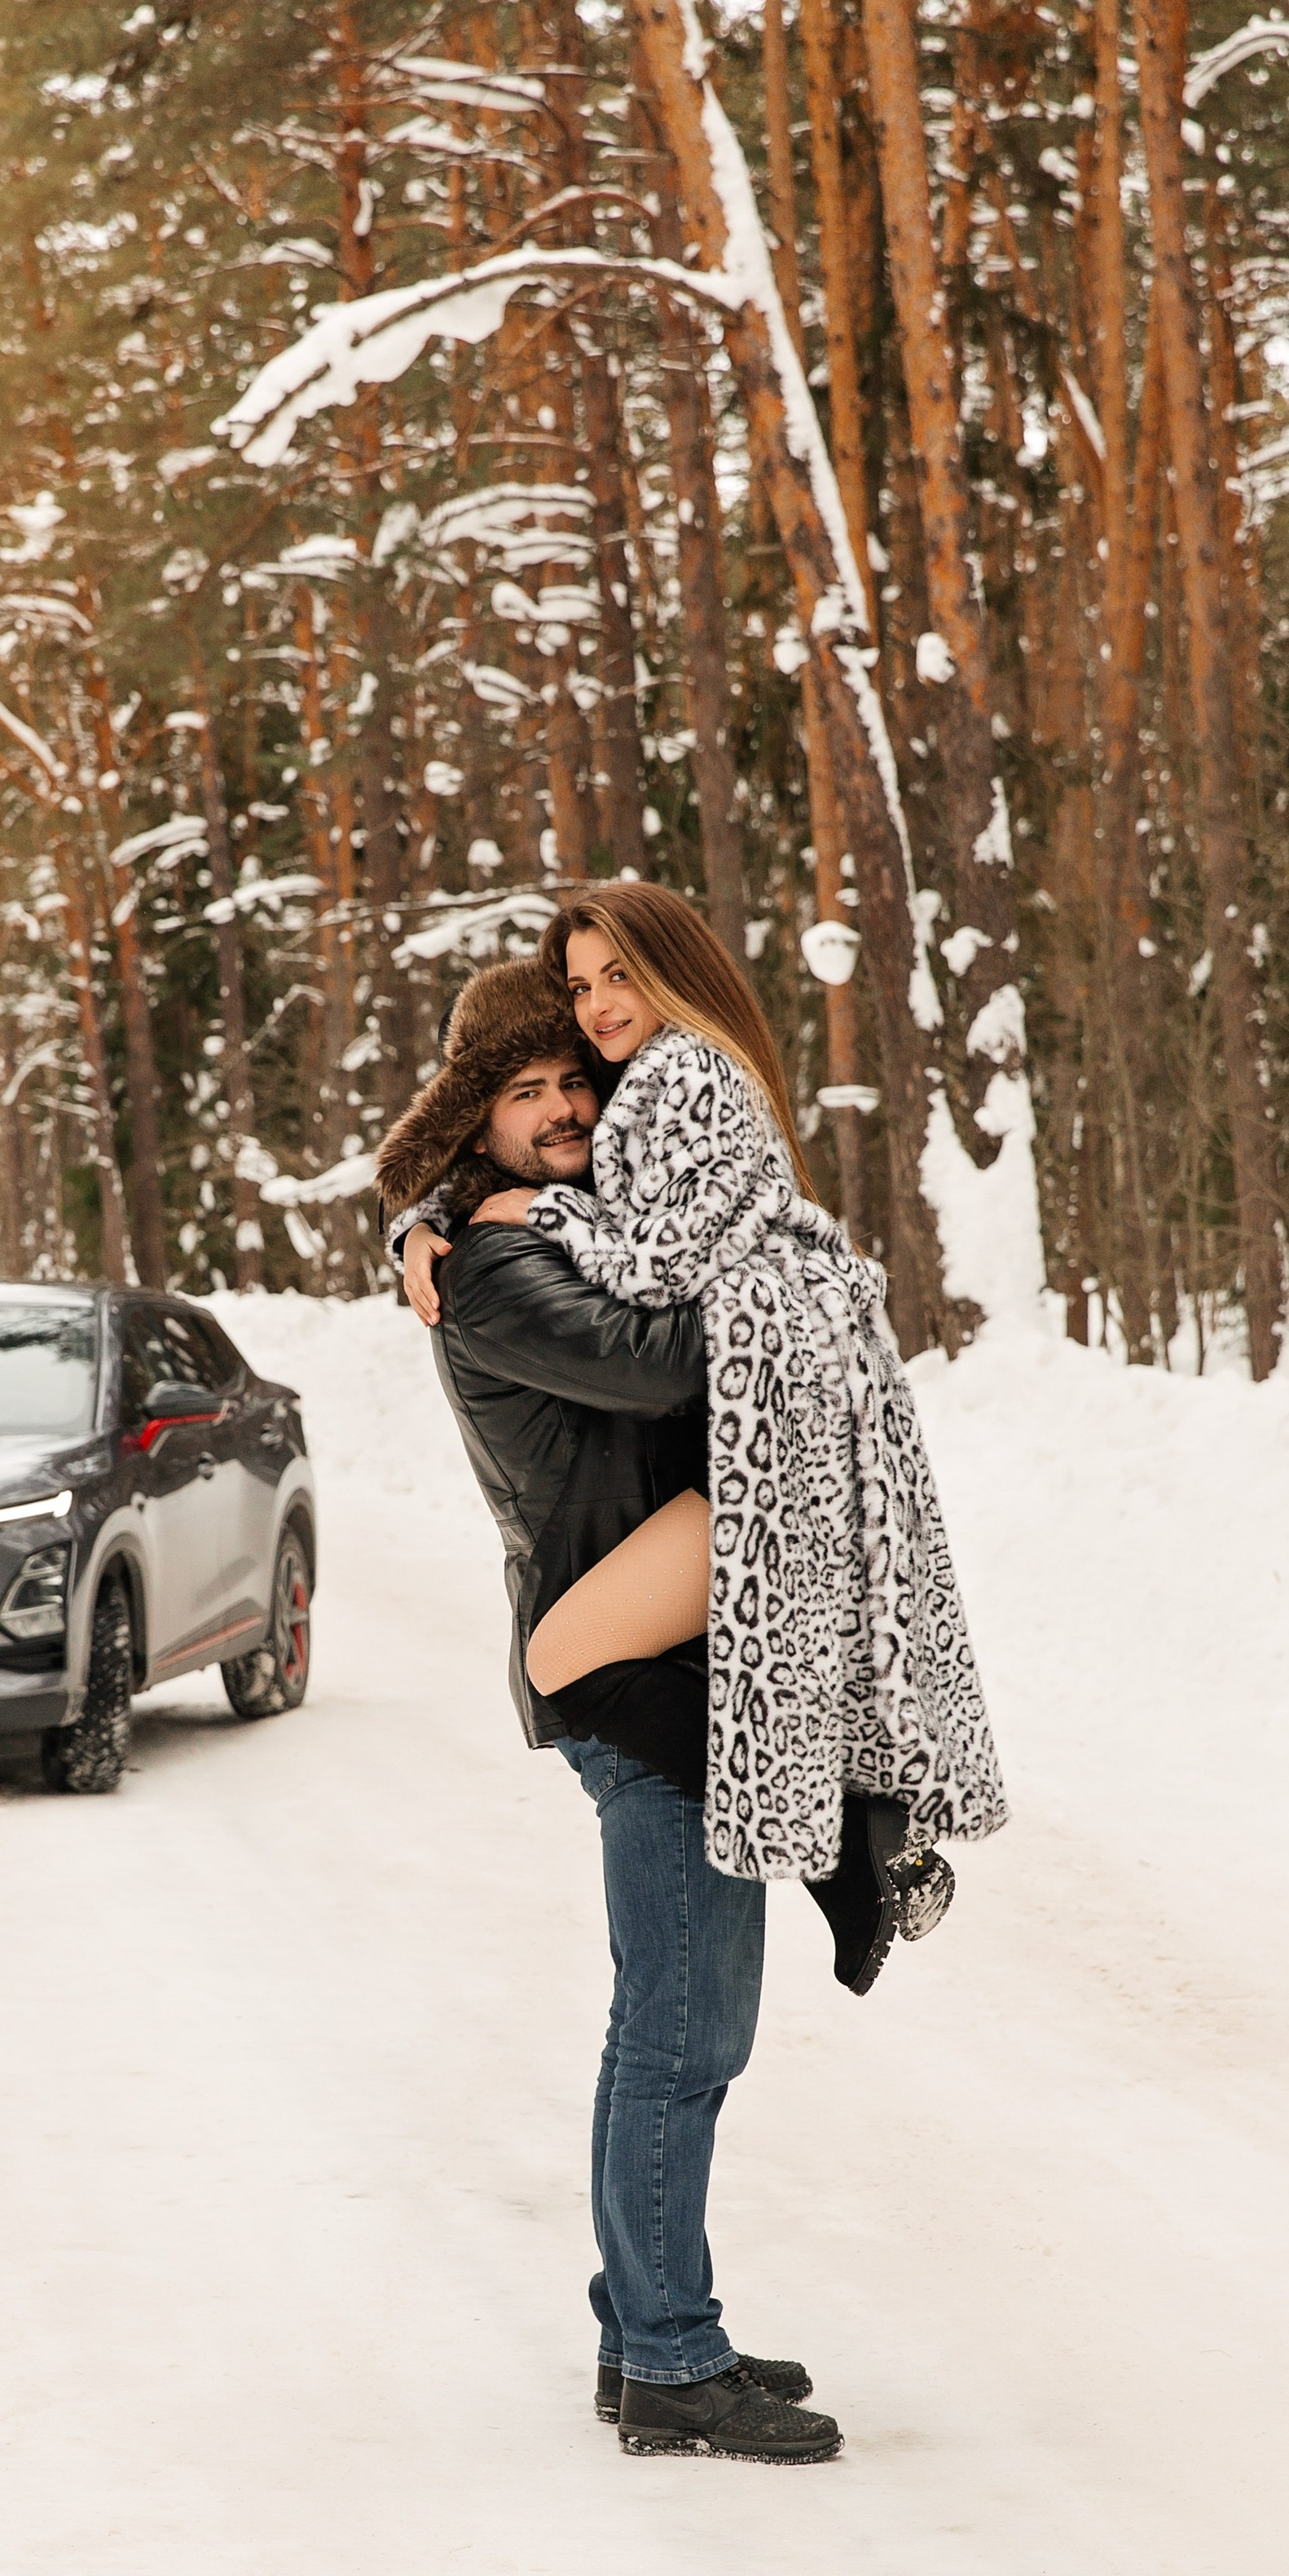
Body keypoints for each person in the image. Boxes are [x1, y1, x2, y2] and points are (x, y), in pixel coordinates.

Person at [376, 956, 846, 2463]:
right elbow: (662, 1364)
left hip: (674, 1662)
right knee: (678, 2032)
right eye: (527, 1093)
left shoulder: (559, 1223)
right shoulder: (498, 1267)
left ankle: (651, 2323)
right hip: (630, 1683)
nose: (566, 1107)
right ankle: (665, 2359)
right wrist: (793, 1269)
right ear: (477, 1118)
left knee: (687, 2026)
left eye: (576, 1081)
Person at [397, 883, 1005, 1963]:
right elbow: (558, 1167)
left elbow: (660, 1286)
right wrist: (426, 1215)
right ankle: (850, 1839)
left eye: (617, 977)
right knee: (573, 1657)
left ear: (670, 975)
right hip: (775, 1409)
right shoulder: (643, 1091)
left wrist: (514, 1208)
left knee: (566, 1656)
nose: (595, 1008)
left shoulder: (690, 1080)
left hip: (780, 1410)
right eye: (579, 986)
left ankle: (850, 1842)